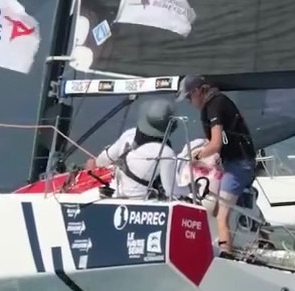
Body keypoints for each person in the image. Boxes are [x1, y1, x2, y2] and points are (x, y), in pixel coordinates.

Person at [178, 74, 256, 256]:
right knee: (214, 208)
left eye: (189, 97)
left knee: (221, 215)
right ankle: (216, 245)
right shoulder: (214, 103)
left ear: (198, 91)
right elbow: (214, 141)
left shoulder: (215, 106)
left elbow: (215, 144)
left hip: (239, 165)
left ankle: (225, 253)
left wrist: (195, 156)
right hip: (232, 163)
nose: (189, 102)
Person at [85, 99, 181, 199]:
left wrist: (94, 163)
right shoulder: (167, 153)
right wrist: (190, 189)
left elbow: (103, 160)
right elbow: (171, 190)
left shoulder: (129, 134)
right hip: (141, 205)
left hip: (113, 196)